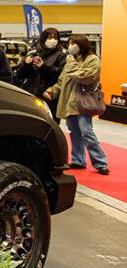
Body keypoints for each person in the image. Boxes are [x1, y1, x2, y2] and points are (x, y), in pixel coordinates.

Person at [46, 35, 109, 175]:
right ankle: (78, 160)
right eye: (69, 44)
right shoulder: (71, 61)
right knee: (74, 132)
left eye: (73, 44)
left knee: (87, 132)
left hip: (83, 103)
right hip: (70, 104)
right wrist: (52, 90)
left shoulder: (92, 60)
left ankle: (100, 162)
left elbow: (85, 77)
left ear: (82, 45)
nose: (70, 47)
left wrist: (71, 63)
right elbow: (62, 81)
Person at [15, 28, 66, 121]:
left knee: (48, 123)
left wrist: (43, 66)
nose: (53, 40)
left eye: (55, 38)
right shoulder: (34, 53)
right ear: (43, 39)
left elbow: (59, 76)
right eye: (50, 37)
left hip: (48, 96)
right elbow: (20, 75)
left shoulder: (61, 56)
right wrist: (26, 65)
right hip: (30, 94)